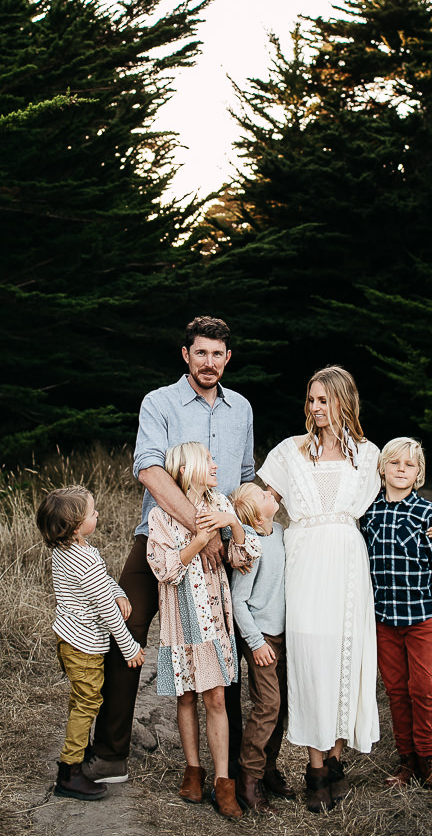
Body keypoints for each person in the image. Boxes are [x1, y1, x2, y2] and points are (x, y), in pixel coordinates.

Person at [258, 366, 432, 812]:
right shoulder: (290, 451)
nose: (315, 408)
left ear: (345, 401)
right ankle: (313, 767)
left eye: (324, 399)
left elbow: (398, 498)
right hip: (305, 563)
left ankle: (335, 766)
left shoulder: (367, 454)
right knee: (310, 660)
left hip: (348, 566)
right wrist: (232, 521)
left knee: (347, 658)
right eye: (311, 400)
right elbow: (262, 501)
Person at [85, 316, 255, 785]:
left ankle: (240, 767)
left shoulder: (241, 408)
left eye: (218, 353)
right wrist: (202, 532)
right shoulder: (159, 403)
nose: (209, 362)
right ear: (186, 355)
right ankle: (111, 753)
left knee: (236, 642)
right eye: (200, 352)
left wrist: (234, 530)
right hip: (159, 537)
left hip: (222, 540)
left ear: (228, 358)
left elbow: (243, 478)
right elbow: (149, 471)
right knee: (124, 629)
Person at [147, 441, 261, 819]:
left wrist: (233, 525)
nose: (215, 464)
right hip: (180, 621)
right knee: (186, 699)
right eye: (209, 460)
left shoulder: (221, 505)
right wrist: (199, 539)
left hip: (213, 620)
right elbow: (164, 570)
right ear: (188, 467)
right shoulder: (160, 517)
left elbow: (241, 560)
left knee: (215, 699)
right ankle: (193, 771)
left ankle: (223, 782)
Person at [35, 486, 145, 801]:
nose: (97, 514)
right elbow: (108, 613)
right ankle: (69, 773)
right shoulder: (83, 559)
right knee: (87, 703)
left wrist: (119, 591)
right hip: (84, 646)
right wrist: (130, 648)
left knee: (81, 701)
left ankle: (77, 757)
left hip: (69, 638)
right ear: (74, 525)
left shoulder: (71, 549)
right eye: (91, 512)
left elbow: (102, 583)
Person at [360, 437, 432, 791]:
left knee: (423, 689)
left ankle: (428, 760)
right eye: (395, 464)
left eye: (409, 465)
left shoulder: (428, 514)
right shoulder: (368, 512)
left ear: (419, 474)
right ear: (382, 469)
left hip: (421, 619)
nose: (402, 470)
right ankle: (406, 761)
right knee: (396, 690)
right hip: (384, 619)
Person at [229, 481, 293, 815]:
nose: (271, 493)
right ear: (254, 515)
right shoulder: (250, 546)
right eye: (263, 495)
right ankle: (248, 779)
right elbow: (238, 601)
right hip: (262, 639)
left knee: (282, 707)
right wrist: (254, 643)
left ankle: (268, 769)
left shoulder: (281, 531)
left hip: (286, 635)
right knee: (267, 705)